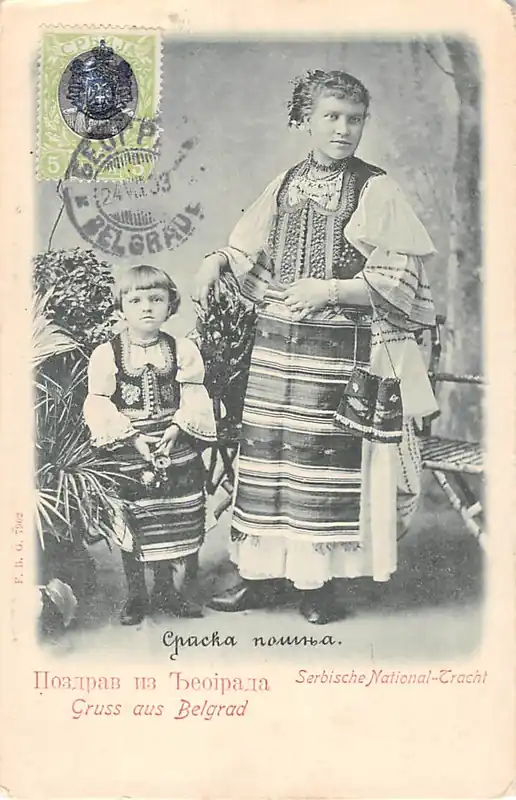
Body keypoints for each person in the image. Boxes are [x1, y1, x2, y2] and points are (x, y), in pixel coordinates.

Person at [193, 69, 439, 625]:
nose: (343, 129)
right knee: (269, 457)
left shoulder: (375, 188)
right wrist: (215, 260)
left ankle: (316, 584)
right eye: (331, 117)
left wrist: (329, 290)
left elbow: (399, 276)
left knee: (320, 463)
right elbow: (246, 246)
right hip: (277, 344)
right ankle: (259, 575)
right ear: (305, 121)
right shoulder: (284, 184)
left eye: (355, 119)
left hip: (341, 346)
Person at [84, 264, 216, 625]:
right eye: (136, 300)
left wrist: (177, 428)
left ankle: (166, 590)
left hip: (173, 445)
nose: (147, 308)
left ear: (170, 305)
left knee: (172, 517)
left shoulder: (181, 349)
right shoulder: (108, 353)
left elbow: (194, 395)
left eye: (156, 299)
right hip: (130, 448)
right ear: (120, 308)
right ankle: (136, 595)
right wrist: (132, 436)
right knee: (136, 518)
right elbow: (99, 401)